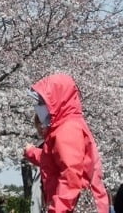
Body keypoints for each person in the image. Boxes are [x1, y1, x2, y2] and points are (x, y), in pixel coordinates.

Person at [24, 73, 109, 213]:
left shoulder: (67, 129)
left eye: (42, 102)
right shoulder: (65, 127)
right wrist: (31, 152)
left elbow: (71, 173)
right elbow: (53, 160)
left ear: (55, 100)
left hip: (71, 206)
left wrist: (58, 209)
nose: (39, 107)